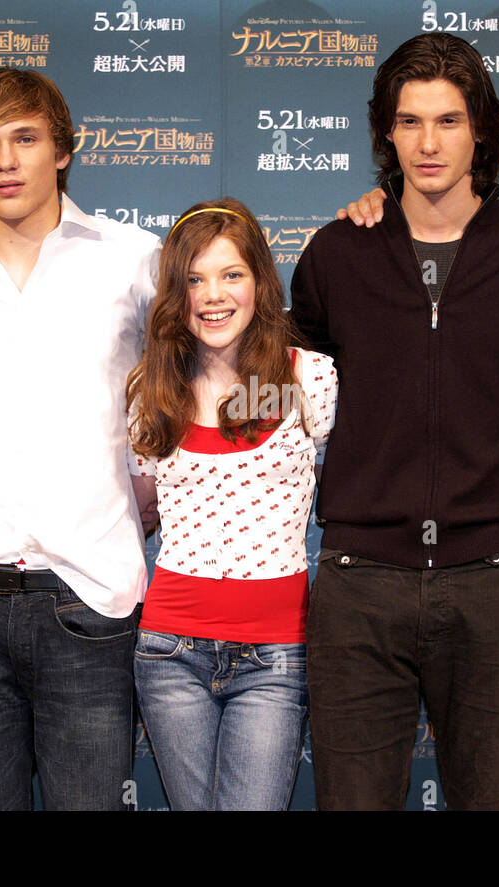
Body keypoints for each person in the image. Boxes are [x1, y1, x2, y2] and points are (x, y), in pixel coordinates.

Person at [289, 32, 499, 810]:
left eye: (448, 120)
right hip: (359, 584)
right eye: (410, 121)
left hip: (494, 584)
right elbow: (286, 394)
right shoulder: (336, 254)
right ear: (385, 130)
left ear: (481, 128)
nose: (428, 142)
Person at [0, 67, 159, 810]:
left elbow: (189, 396)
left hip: (91, 603)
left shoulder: (134, 260)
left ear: (64, 149)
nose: (6, 159)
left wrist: (150, 491)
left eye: (26, 137)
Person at [126, 198, 338, 810]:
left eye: (231, 275)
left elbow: (337, 493)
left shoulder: (310, 379)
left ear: (259, 283)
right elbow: (139, 512)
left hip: (277, 652)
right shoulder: (151, 389)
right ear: (175, 293)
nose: (212, 295)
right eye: (194, 279)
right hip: (170, 651)